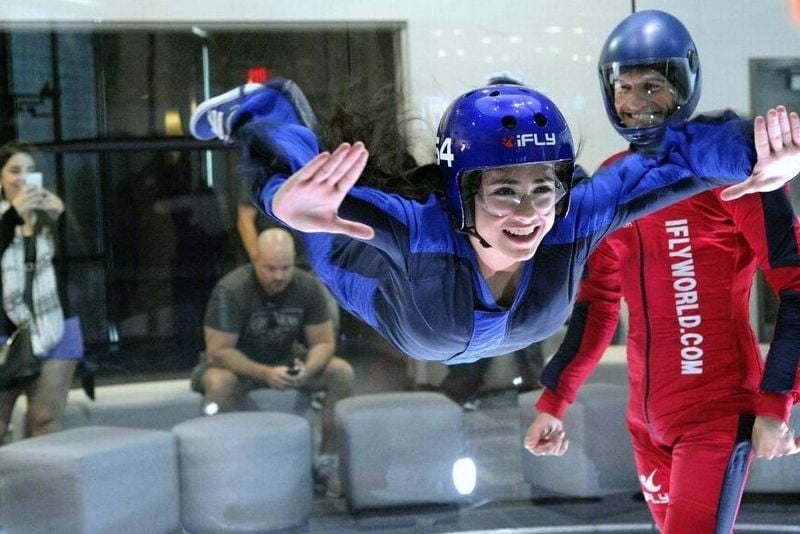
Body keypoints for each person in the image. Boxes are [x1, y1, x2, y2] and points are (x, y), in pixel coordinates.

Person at [189, 75, 800, 367]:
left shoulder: (571, 217)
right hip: (376, 282)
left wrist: (758, 147)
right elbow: (307, 191)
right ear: (462, 196)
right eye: (505, 191)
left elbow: (672, 160)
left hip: (449, 326)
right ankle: (262, 105)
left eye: (544, 187)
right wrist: (279, 200)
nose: (531, 213)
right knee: (321, 200)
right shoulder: (421, 230)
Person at [524, 11, 800, 534]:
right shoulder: (612, 183)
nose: (635, 102)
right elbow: (598, 304)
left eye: (651, 86)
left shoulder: (728, 172)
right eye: (624, 87)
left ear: (682, 88)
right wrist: (554, 401)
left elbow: (796, 285)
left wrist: (775, 406)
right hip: (645, 422)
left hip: (717, 413)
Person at [190, 227, 353, 497]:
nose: (279, 276)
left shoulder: (307, 286)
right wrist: (264, 373)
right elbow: (219, 352)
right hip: (237, 366)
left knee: (341, 372)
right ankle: (230, 464)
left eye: (285, 268)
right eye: (271, 269)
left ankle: (327, 460)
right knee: (218, 384)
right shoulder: (231, 289)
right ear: (256, 261)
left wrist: (307, 369)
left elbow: (324, 342)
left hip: (284, 360)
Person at [0, 142, 85, 442]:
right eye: (14, 170)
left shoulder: (50, 218)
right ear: (0, 178)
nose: (23, 178)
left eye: (31, 171)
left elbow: (79, 263)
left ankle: (45, 487)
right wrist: (12, 216)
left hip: (57, 326)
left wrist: (61, 216)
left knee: (44, 419)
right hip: (5, 332)